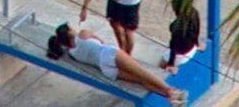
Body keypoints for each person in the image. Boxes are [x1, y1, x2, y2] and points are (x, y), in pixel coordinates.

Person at [44, 23, 183, 101]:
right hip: (108, 54)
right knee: (143, 72)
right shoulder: (83, 34)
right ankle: (169, 91)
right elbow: (100, 41)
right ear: (69, 31)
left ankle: (167, 94)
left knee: (140, 80)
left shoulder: (72, 54)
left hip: (105, 69)